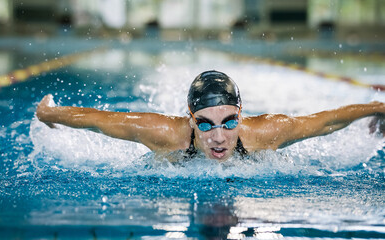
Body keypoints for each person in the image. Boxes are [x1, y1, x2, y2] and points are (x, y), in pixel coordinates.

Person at [36, 70, 384, 162]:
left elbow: (324, 121)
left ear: (241, 115)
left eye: (229, 122)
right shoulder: (167, 135)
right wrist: (51, 113)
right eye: (205, 124)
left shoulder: (264, 133)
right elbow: (102, 119)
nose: (218, 137)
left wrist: (377, 108)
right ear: (190, 119)